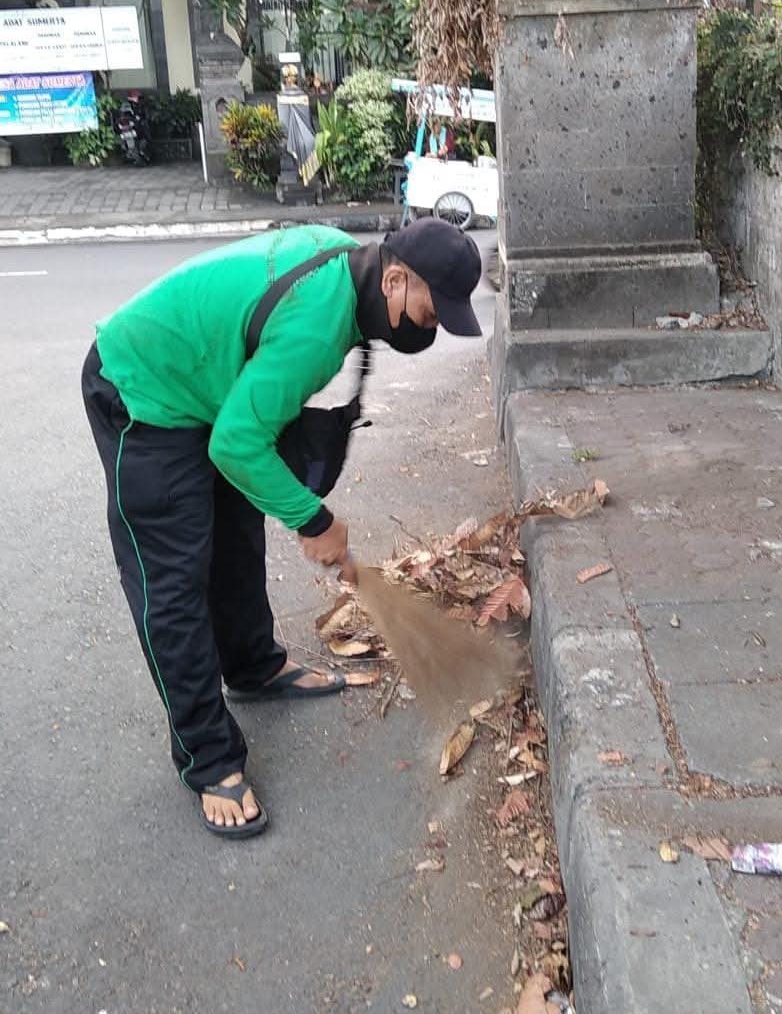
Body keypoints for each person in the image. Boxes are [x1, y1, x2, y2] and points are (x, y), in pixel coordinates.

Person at [82, 220, 483, 839]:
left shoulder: (354, 270)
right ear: (395, 279)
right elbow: (236, 444)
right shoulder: (318, 327)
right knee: (174, 585)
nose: (430, 328)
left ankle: (253, 667)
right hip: (142, 386)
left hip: (211, 389)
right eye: (431, 312)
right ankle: (207, 758)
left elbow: (244, 425)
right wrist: (313, 519)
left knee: (237, 538)